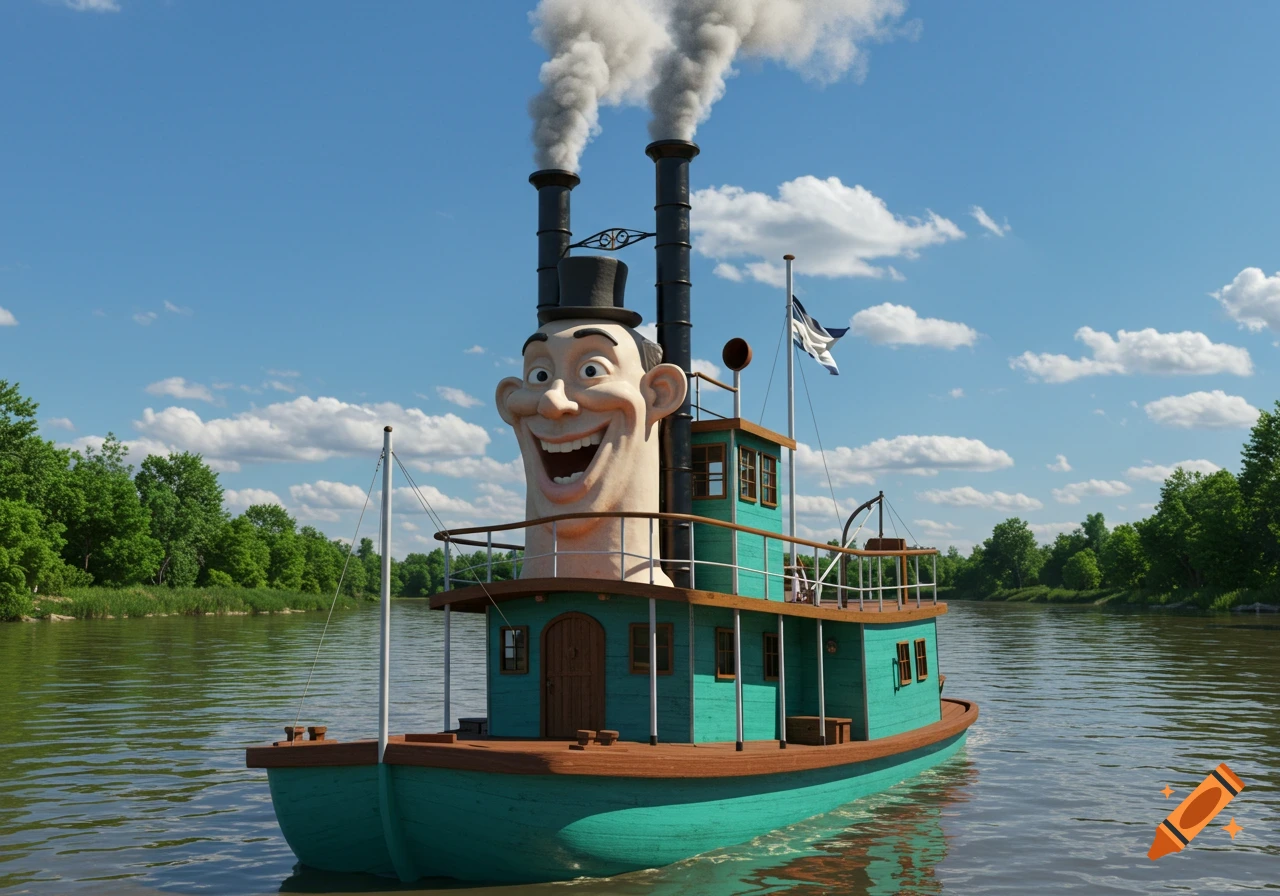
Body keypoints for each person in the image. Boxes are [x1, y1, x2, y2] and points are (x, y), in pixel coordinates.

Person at [496, 255, 686, 584]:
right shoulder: (538, 411)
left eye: (591, 371)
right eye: (539, 375)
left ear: (660, 393)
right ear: (507, 398)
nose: (553, 402)